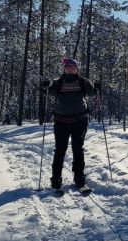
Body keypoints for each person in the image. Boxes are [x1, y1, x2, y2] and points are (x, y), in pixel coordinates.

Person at [40, 58, 99, 193]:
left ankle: (80, 180)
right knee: (60, 150)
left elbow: (92, 93)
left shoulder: (84, 82)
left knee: (78, 150)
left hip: (80, 121)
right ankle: (56, 181)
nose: (70, 69)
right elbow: (48, 91)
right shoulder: (58, 82)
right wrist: (45, 86)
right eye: (68, 67)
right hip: (61, 122)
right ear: (64, 69)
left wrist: (96, 88)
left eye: (73, 66)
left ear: (77, 68)